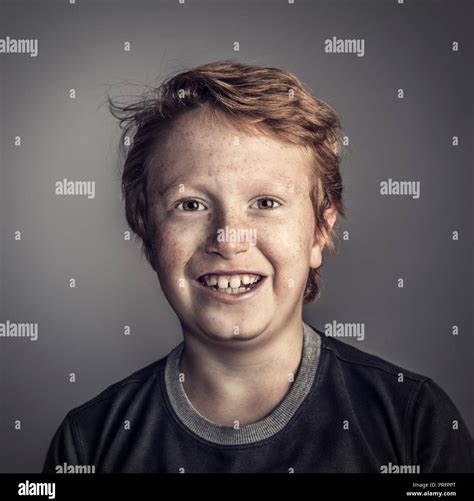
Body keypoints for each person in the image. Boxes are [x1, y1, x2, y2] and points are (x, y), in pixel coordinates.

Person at [43, 61, 473, 473]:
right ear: (147, 235)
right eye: (191, 205)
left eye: (265, 203)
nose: (230, 239)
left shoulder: (412, 422)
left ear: (320, 233)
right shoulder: (90, 444)